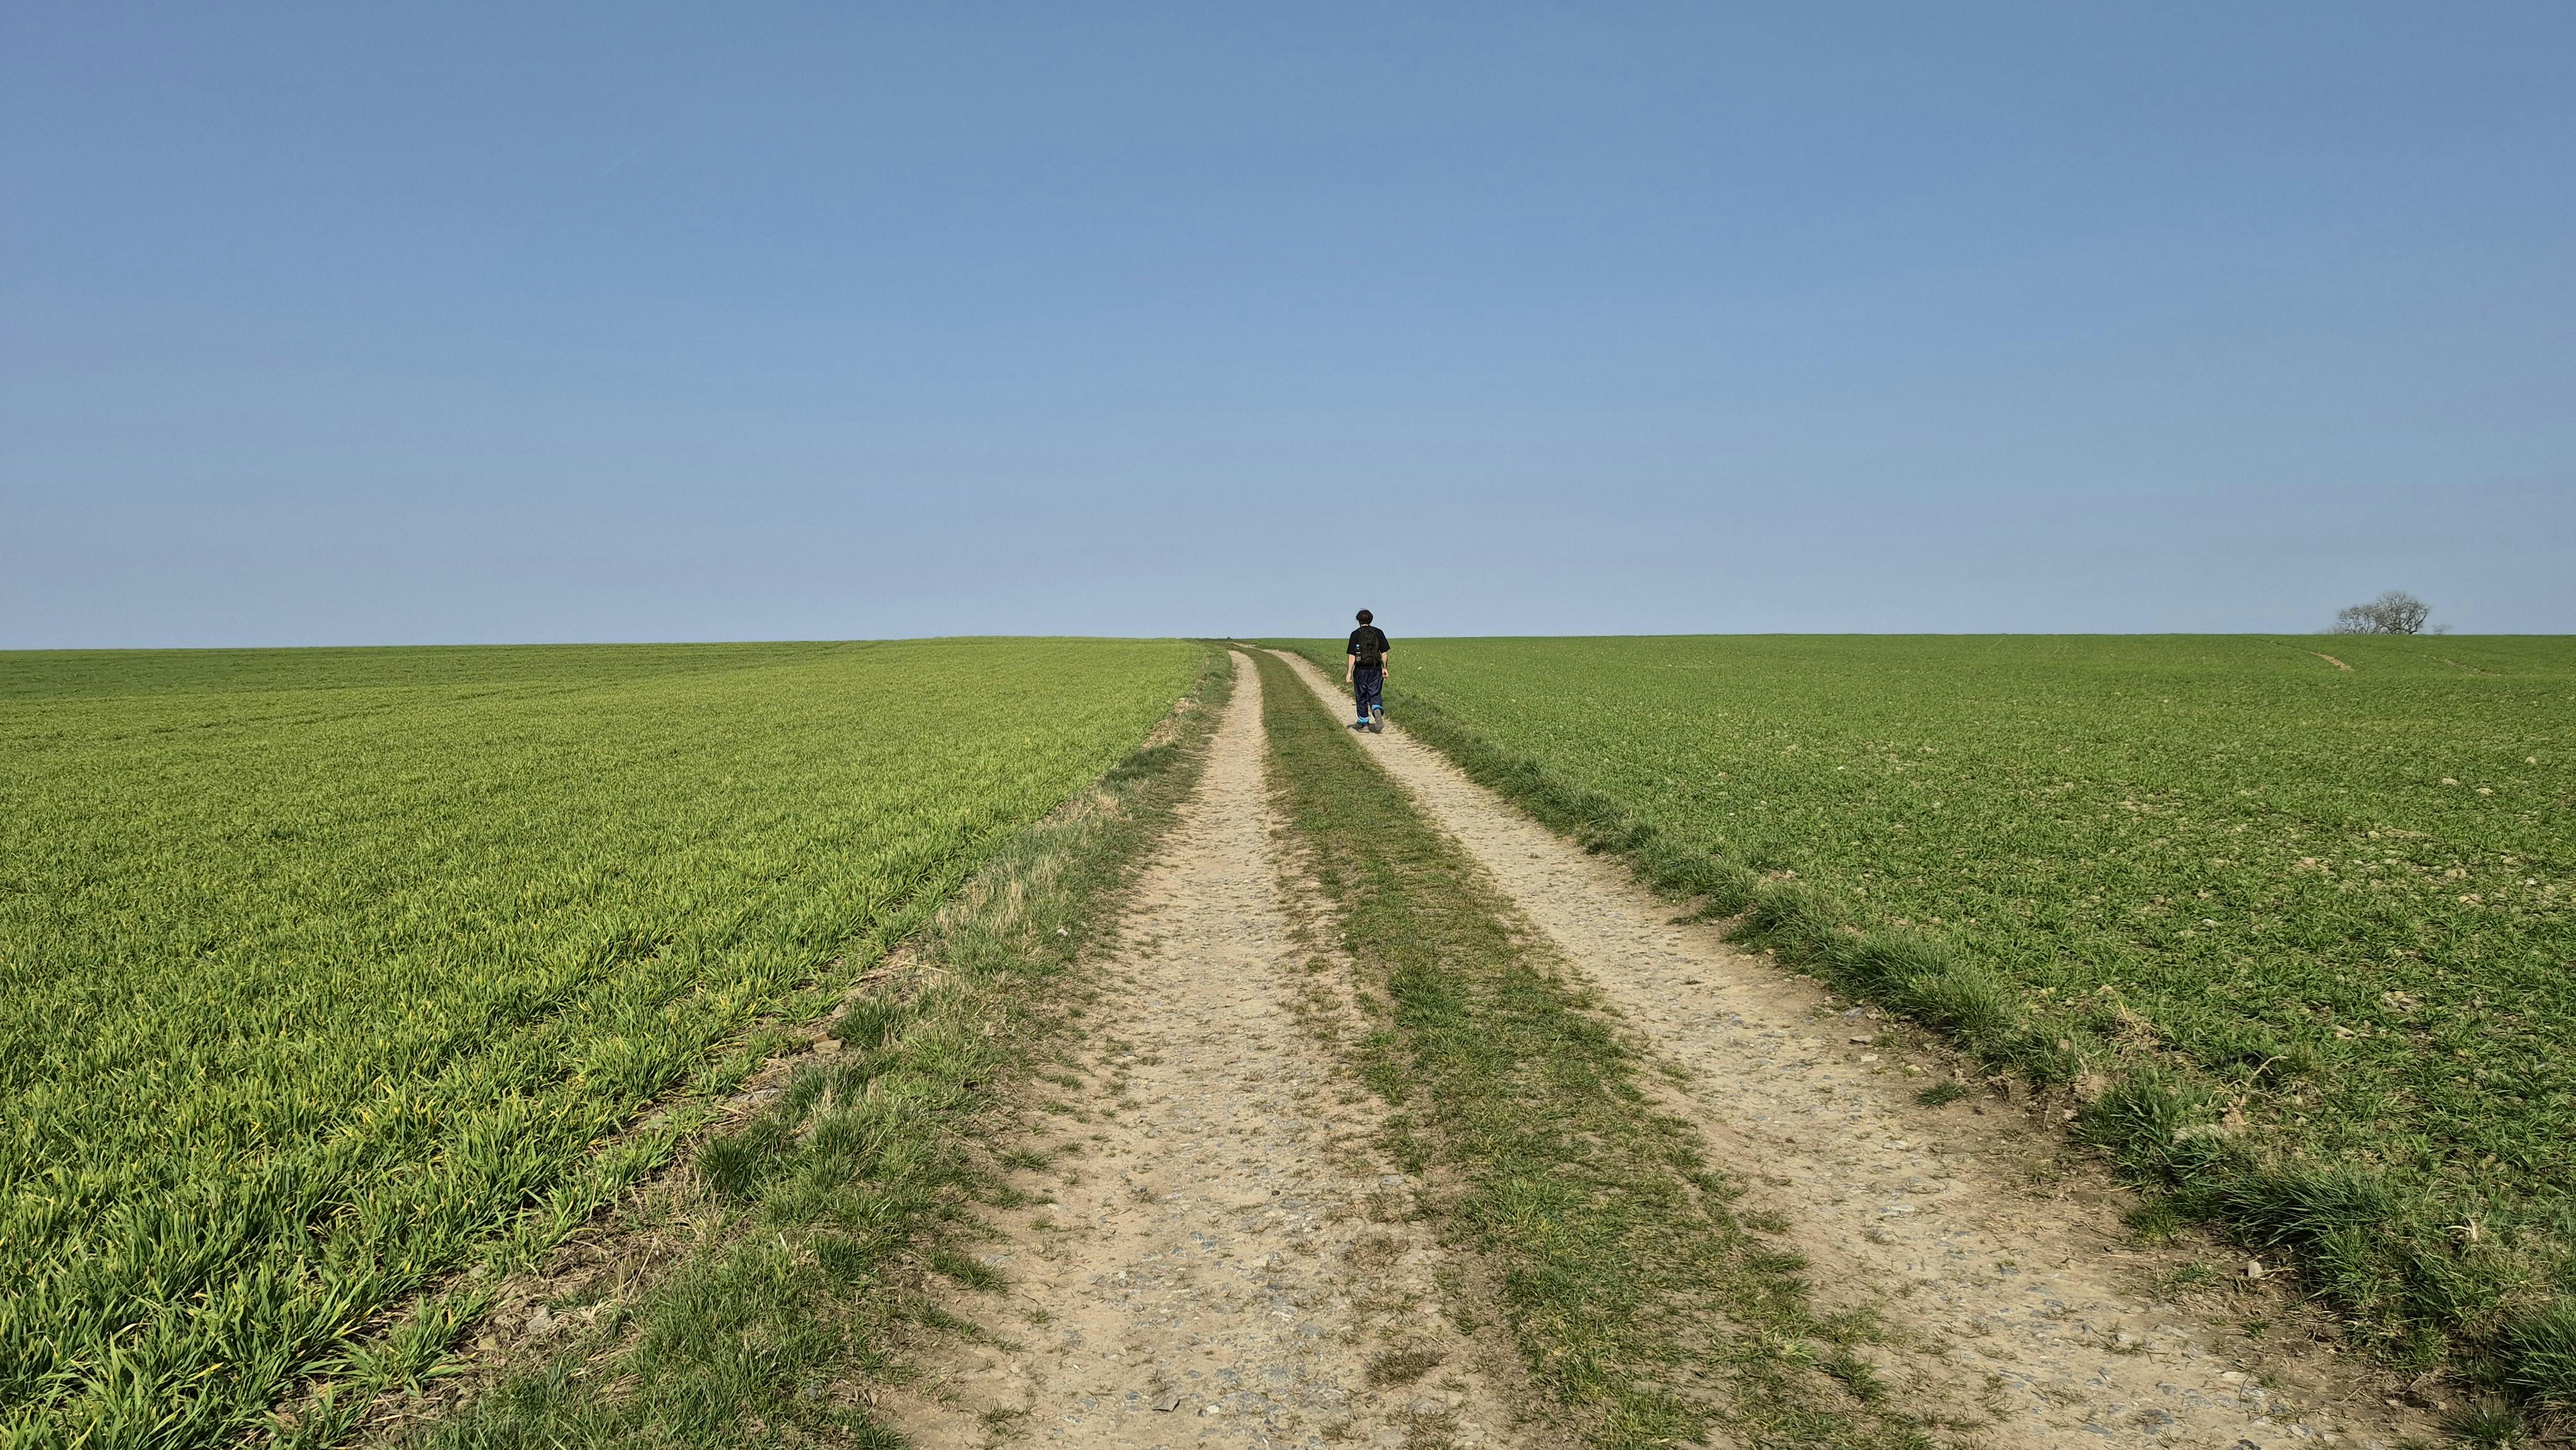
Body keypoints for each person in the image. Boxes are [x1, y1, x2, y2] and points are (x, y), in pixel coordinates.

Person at [1345, 609, 1389, 733]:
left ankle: (1364, 724)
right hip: (1375, 669)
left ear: (1359, 621)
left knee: (1361, 696)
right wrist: (1384, 668)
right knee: (1375, 693)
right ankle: (1376, 708)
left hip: (1361, 670)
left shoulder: (1355, 634)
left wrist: (1349, 672)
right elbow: (1384, 653)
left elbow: (1352, 656)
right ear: (1371, 620)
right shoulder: (1379, 633)